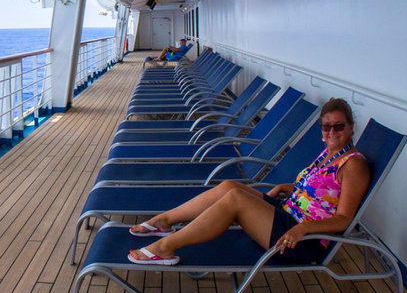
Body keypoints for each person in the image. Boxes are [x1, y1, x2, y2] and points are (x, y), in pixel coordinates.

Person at [126, 97, 370, 265]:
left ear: (351, 127)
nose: (331, 132)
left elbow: (343, 219)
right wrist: (289, 188)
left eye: (338, 126)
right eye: (326, 126)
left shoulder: (353, 164)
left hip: (302, 240)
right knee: (229, 186)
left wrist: (303, 228)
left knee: (236, 199)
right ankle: (164, 220)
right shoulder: (329, 153)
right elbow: (323, 192)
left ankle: (165, 247)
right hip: (288, 213)